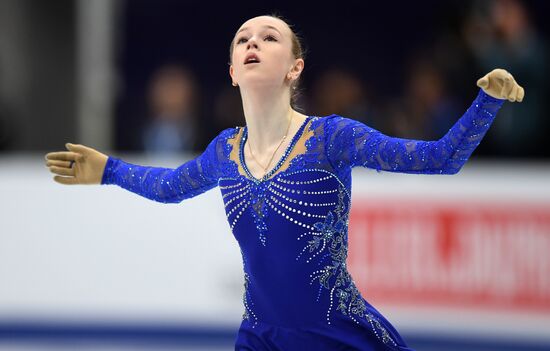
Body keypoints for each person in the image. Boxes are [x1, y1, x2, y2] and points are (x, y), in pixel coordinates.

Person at [45, 14, 524, 351]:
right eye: (243, 39)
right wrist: (109, 171)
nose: (253, 42)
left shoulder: (332, 137)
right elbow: (171, 185)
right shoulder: (224, 150)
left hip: (339, 334)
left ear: (295, 67)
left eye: (269, 38)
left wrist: (486, 103)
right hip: (261, 337)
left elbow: (440, 159)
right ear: (233, 72)